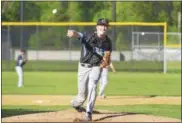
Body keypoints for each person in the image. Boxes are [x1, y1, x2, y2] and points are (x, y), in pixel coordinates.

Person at [67, 18, 112, 121]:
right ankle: (75, 104)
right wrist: (73, 33)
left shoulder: (108, 42)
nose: (103, 27)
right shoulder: (88, 35)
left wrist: (105, 63)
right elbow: (79, 35)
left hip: (96, 66)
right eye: (101, 25)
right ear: (97, 27)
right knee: (81, 97)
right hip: (83, 66)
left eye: (105, 25)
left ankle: (88, 113)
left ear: (107, 28)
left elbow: (108, 57)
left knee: (93, 86)